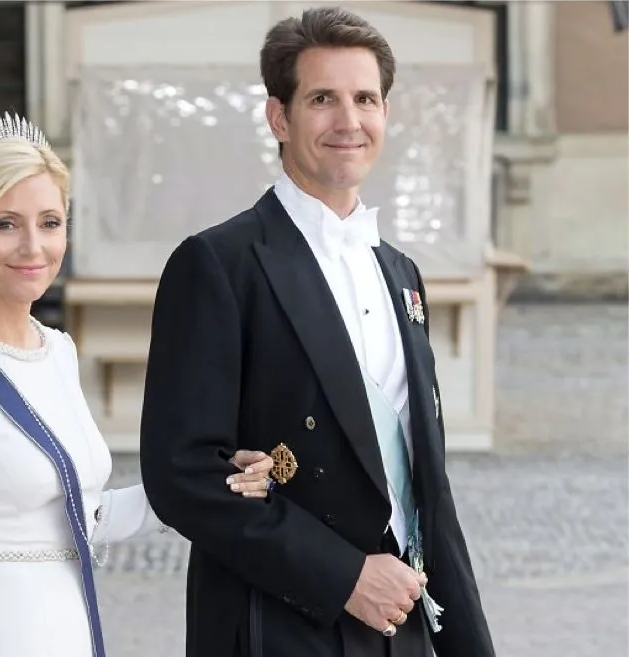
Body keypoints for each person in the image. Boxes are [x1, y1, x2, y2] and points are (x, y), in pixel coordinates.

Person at [139, 7, 495, 657]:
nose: (348, 121)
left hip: (403, 626)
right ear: (279, 117)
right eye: (323, 99)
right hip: (276, 625)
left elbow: (429, 493)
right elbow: (180, 473)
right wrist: (345, 577)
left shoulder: (402, 275)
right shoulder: (218, 264)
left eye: (366, 99)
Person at [0, 112, 276, 657]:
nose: (33, 247)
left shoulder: (58, 354)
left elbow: (83, 517)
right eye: (5, 224)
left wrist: (211, 480)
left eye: (49, 222)